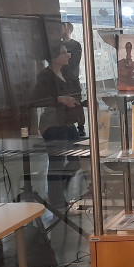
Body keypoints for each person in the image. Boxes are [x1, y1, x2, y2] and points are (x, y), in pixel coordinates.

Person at [34, 42, 84, 209]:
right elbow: (37, 99)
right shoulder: (45, 75)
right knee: (57, 162)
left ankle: (59, 185)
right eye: (63, 53)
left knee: (78, 158)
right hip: (53, 123)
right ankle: (56, 200)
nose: (68, 55)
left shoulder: (65, 72)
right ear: (54, 57)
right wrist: (61, 99)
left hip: (67, 121)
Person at [61, 22, 86, 136]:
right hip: (61, 80)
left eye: (62, 28)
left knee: (77, 104)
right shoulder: (58, 45)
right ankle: (67, 126)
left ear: (68, 30)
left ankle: (81, 127)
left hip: (73, 80)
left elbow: (75, 61)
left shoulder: (76, 45)